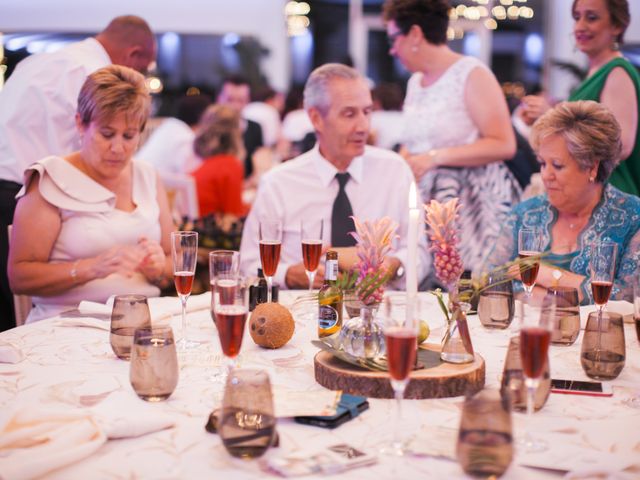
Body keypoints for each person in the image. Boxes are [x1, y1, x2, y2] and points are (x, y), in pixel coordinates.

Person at [0, 15, 156, 330]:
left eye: (129, 136)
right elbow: (92, 157)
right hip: (36, 193)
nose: (118, 146)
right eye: (144, 68)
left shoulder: (36, 62)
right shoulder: (95, 77)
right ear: (134, 56)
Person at [239, 63, 430, 289]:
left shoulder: (394, 170)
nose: (363, 126)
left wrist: (395, 266)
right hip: (304, 312)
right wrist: (288, 275)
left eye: (367, 112)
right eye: (349, 114)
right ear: (316, 118)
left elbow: (420, 253)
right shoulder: (280, 183)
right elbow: (248, 264)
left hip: (382, 312)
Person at [382, 0, 520, 278]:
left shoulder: (471, 73)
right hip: (427, 201)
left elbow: (504, 143)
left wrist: (435, 158)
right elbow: (415, 141)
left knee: (467, 286)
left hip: (471, 207)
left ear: (416, 34)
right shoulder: (414, 82)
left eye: (394, 38)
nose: (392, 49)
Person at [484, 101, 640, 304]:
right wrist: (562, 294)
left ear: (592, 167)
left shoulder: (632, 216)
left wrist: (549, 276)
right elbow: (487, 279)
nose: (545, 175)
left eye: (557, 165)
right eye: (542, 163)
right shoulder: (525, 214)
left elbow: (629, 296)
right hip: (526, 333)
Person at [520, 0, 639, 196]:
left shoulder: (617, 72)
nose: (580, 26)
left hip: (611, 196)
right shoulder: (596, 72)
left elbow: (621, 146)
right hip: (589, 193)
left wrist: (552, 116)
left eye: (591, 18)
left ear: (617, 25)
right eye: (577, 17)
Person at [190, 105, 247, 217]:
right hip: (211, 230)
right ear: (235, 133)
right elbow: (233, 216)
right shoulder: (230, 165)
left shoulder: (202, 162)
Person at [136, 93, 212, 174]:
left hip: (138, 175)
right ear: (202, 118)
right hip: (149, 182)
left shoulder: (169, 126)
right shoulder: (186, 139)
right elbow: (190, 176)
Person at [216, 76, 264, 179]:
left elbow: (260, 167)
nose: (235, 106)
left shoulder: (255, 128)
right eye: (230, 99)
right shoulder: (211, 131)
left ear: (248, 101)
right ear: (219, 98)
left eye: (241, 100)